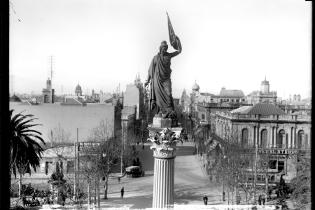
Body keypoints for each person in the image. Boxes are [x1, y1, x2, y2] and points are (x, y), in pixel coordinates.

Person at [145, 39, 182, 120]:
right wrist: (147, 80)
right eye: (163, 47)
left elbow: (179, 51)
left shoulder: (169, 55)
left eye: (166, 48)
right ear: (160, 48)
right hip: (157, 80)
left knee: (168, 94)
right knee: (159, 98)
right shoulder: (155, 58)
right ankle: (161, 112)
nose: (164, 49)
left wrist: (177, 40)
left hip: (166, 80)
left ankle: (169, 111)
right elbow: (150, 69)